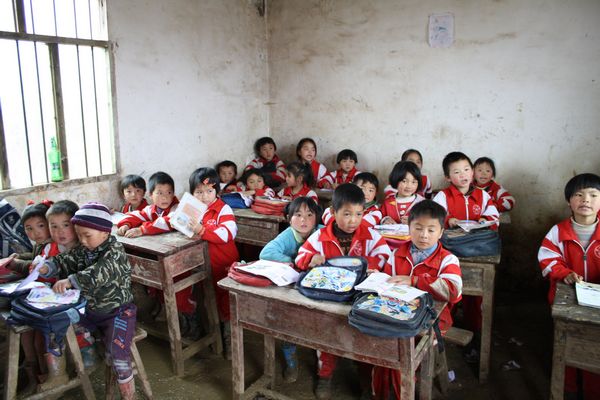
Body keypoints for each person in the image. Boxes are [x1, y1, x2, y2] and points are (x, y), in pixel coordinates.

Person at [295, 183, 391, 399]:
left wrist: (366, 264)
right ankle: (325, 375)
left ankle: (365, 380)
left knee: (365, 339)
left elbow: (385, 256)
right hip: (330, 299)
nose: (353, 220)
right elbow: (301, 256)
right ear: (333, 212)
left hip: (360, 299)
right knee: (327, 336)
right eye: (347, 214)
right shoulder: (321, 236)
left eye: (359, 214)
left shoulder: (370, 235)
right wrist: (311, 259)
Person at [39, 203, 138, 399]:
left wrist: (70, 281)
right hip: (90, 309)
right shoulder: (85, 249)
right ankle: (60, 374)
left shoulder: (115, 251)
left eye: (87, 235)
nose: (82, 240)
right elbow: (66, 259)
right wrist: (47, 266)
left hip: (117, 312)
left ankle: (129, 395)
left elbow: (98, 273)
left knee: (117, 355)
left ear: (105, 232)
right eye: (79, 235)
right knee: (57, 324)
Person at [371, 200, 463, 399]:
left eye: (431, 230)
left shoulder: (448, 259)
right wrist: (378, 279)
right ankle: (382, 392)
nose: (424, 235)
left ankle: (402, 391)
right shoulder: (397, 254)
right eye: (418, 228)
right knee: (383, 348)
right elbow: (387, 281)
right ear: (409, 228)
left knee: (398, 352)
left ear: (441, 232)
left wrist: (414, 281)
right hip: (397, 313)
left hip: (433, 320)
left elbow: (453, 290)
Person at [538, 173, 600, 398]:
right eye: (578, 195)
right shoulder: (558, 231)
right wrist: (565, 273)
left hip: (597, 303)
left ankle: (593, 390)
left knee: (595, 345)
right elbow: (547, 259)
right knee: (567, 344)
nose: (586, 200)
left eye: (593, 195)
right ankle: (569, 387)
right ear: (568, 201)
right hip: (567, 299)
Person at [260, 197, 323, 383]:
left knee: (319, 322)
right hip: (292, 287)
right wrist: (295, 260)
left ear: (317, 218)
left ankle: (322, 362)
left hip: (318, 287)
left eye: (309, 215)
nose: (304, 220)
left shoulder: (322, 233)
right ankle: (290, 358)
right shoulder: (288, 235)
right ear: (289, 218)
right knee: (288, 320)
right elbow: (266, 253)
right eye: (298, 215)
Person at [5, 200, 59, 394]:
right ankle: (32, 373)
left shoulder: (55, 247)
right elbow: (35, 256)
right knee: (25, 333)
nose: (35, 233)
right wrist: (16, 257)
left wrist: (14, 263)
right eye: (29, 228)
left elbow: (38, 267)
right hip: (39, 293)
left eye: (40, 226)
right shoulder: (41, 245)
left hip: (50, 298)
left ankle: (46, 377)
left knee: (38, 340)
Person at [188, 167, 240, 358]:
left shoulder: (223, 209)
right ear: (192, 193)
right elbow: (172, 223)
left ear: (217, 191)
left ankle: (229, 339)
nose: (204, 196)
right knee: (206, 299)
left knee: (226, 303)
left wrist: (202, 230)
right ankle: (212, 335)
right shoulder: (191, 209)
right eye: (199, 192)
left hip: (223, 265)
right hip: (202, 264)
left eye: (209, 191)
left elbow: (227, 233)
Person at [432, 152, 499, 229]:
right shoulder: (442, 196)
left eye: (466, 169)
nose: (463, 175)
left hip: (478, 236)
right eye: (457, 172)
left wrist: (485, 219)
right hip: (452, 236)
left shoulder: (483, 195)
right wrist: (448, 221)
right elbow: (433, 217)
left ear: (472, 172)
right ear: (448, 177)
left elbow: (495, 216)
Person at [117, 171, 179, 237]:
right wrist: (126, 224)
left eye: (169, 193)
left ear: (173, 194)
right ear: (151, 195)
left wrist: (142, 230)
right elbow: (137, 216)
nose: (164, 197)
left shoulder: (177, 208)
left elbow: (167, 222)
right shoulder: (151, 209)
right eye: (160, 193)